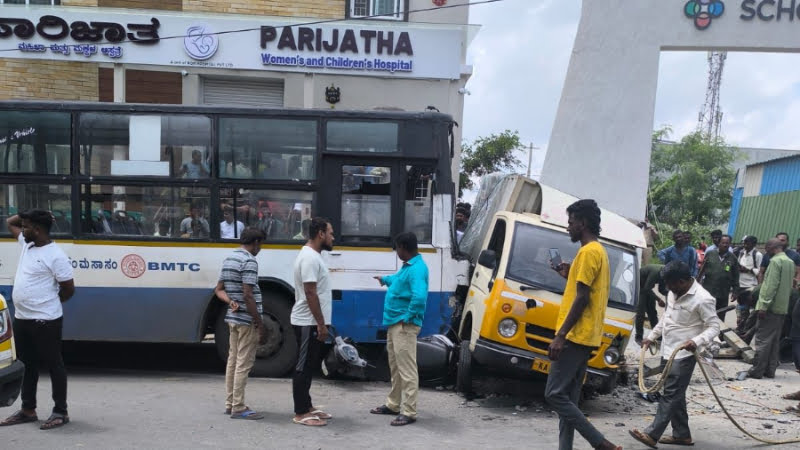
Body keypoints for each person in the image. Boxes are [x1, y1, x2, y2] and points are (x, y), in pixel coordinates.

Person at [544, 199, 621, 450]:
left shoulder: (588, 253)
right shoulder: (598, 251)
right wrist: (568, 273)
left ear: (583, 223)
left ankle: (600, 443)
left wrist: (560, 335)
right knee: (569, 399)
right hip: (586, 336)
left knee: (554, 394)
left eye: (571, 222)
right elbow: (588, 289)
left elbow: (582, 298)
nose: (568, 227)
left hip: (575, 336)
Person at [629, 261, 721, 448]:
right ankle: (682, 435)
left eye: (670, 283)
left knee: (671, 394)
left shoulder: (703, 299)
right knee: (675, 393)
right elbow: (666, 317)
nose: (667, 287)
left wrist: (696, 341)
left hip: (684, 354)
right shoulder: (673, 292)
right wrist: (651, 336)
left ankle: (652, 434)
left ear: (682, 281)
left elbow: (714, 327)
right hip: (667, 349)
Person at [1, 210, 75, 430]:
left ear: (37, 229)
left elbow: (68, 289)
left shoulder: (56, 256)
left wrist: (49, 304)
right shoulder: (28, 245)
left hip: (46, 320)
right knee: (27, 365)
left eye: (26, 226)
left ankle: (60, 411)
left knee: (54, 364)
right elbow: (10, 222)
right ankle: (28, 409)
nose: (22, 229)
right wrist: (29, 214)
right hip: (23, 318)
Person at [369, 232, 429, 426]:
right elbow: (398, 280)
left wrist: (407, 318)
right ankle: (393, 404)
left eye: (397, 248)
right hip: (395, 323)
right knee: (396, 367)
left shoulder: (417, 269)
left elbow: (419, 297)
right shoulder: (409, 267)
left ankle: (409, 411)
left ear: (403, 247)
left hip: (403, 325)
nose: (396, 252)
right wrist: (385, 279)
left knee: (407, 368)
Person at [214, 228, 267, 420]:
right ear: (256, 242)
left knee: (233, 361)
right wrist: (260, 324)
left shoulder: (229, 258)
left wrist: (230, 301)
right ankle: (238, 407)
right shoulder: (249, 261)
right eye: (261, 244)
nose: (260, 248)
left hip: (233, 319)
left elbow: (218, 290)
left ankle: (230, 403)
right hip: (246, 320)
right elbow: (248, 295)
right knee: (243, 363)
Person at [290, 217, 334, 427]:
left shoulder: (314, 256)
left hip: (312, 321)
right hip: (307, 322)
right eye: (330, 233)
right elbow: (310, 292)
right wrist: (321, 324)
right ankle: (300, 412)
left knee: (309, 366)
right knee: (303, 366)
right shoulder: (309, 257)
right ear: (320, 234)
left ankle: (307, 406)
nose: (333, 237)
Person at [748, 238, 795, 379]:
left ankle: (757, 370)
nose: (765, 250)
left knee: (763, 340)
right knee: (774, 341)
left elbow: (770, 286)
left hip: (770, 308)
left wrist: (763, 306)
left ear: (771, 247)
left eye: (766, 247)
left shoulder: (775, 262)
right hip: (782, 308)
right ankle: (770, 370)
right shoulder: (789, 262)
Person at [697, 234, 739, 322]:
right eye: (723, 243)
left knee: (720, 315)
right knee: (705, 314)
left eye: (727, 243)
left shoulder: (733, 258)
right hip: (708, 291)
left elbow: (736, 275)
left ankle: (718, 329)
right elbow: (702, 269)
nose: (725, 245)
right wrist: (697, 284)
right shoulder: (710, 254)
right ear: (719, 243)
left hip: (723, 292)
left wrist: (735, 291)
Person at [636, 264, 667, 345]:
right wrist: (659, 299)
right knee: (641, 313)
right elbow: (646, 289)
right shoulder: (655, 272)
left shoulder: (665, 274)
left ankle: (657, 336)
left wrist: (671, 294)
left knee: (652, 312)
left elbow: (661, 289)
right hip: (640, 287)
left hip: (647, 288)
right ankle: (638, 336)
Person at [736, 235, 762, 333]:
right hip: (740, 284)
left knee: (748, 308)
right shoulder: (741, 253)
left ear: (754, 244)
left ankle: (746, 329)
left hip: (751, 285)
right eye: (744, 243)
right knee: (741, 308)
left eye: (747, 243)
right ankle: (741, 327)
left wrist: (748, 270)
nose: (745, 245)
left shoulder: (757, 255)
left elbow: (760, 271)